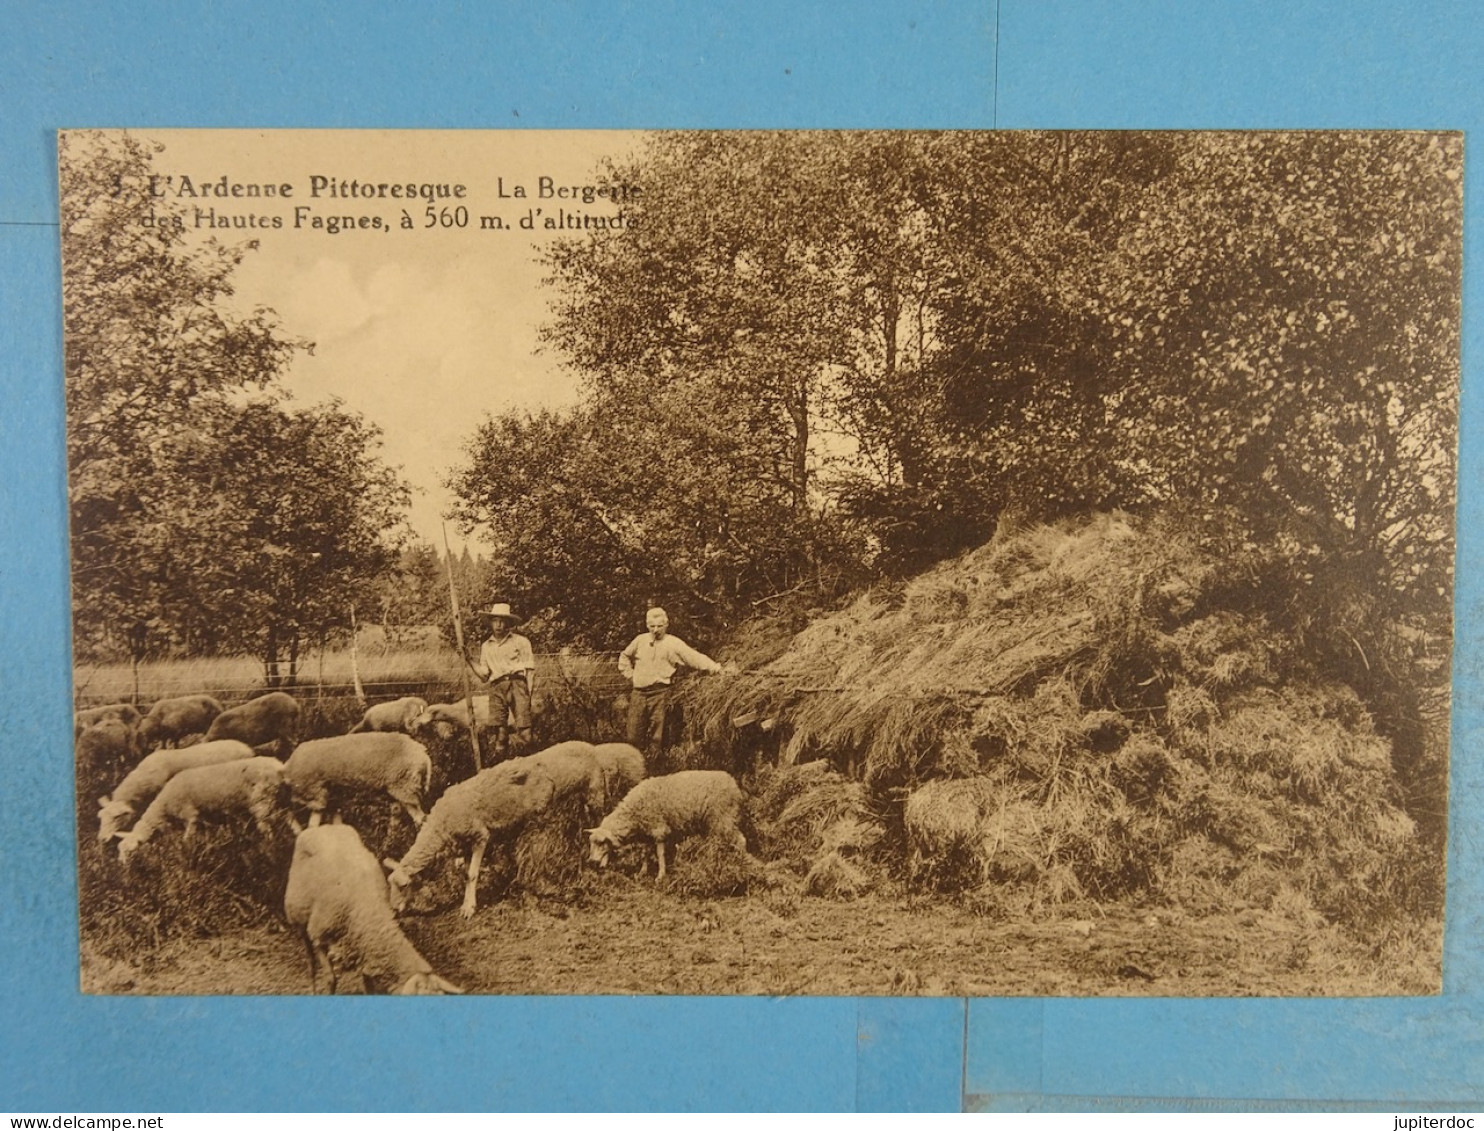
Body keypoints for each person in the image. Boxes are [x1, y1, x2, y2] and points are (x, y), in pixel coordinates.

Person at [617, 606, 723, 768]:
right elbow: (624, 656)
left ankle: (655, 767)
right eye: (652, 626)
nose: (656, 630)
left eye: (659, 626)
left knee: (657, 736)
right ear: (647, 626)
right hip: (638, 693)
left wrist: (715, 667)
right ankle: (632, 768)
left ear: (666, 625)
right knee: (633, 734)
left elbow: (694, 657)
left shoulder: (673, 643)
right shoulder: (640, 640)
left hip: (660, 693)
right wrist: (631, 675)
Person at [469, 602, 535, 760]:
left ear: (508, 623)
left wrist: (528, 696)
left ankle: (531, 766)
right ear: (491, 622)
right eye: (495, 620)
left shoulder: (520, 641)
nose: (499, 625)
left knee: (525, 732)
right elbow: (484, 675)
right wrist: (468, 659)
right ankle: (502, 768)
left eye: (502, 621)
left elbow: (530, 671)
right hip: (497, 687)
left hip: (517, 685)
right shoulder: (486, 646)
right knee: (500, 733)